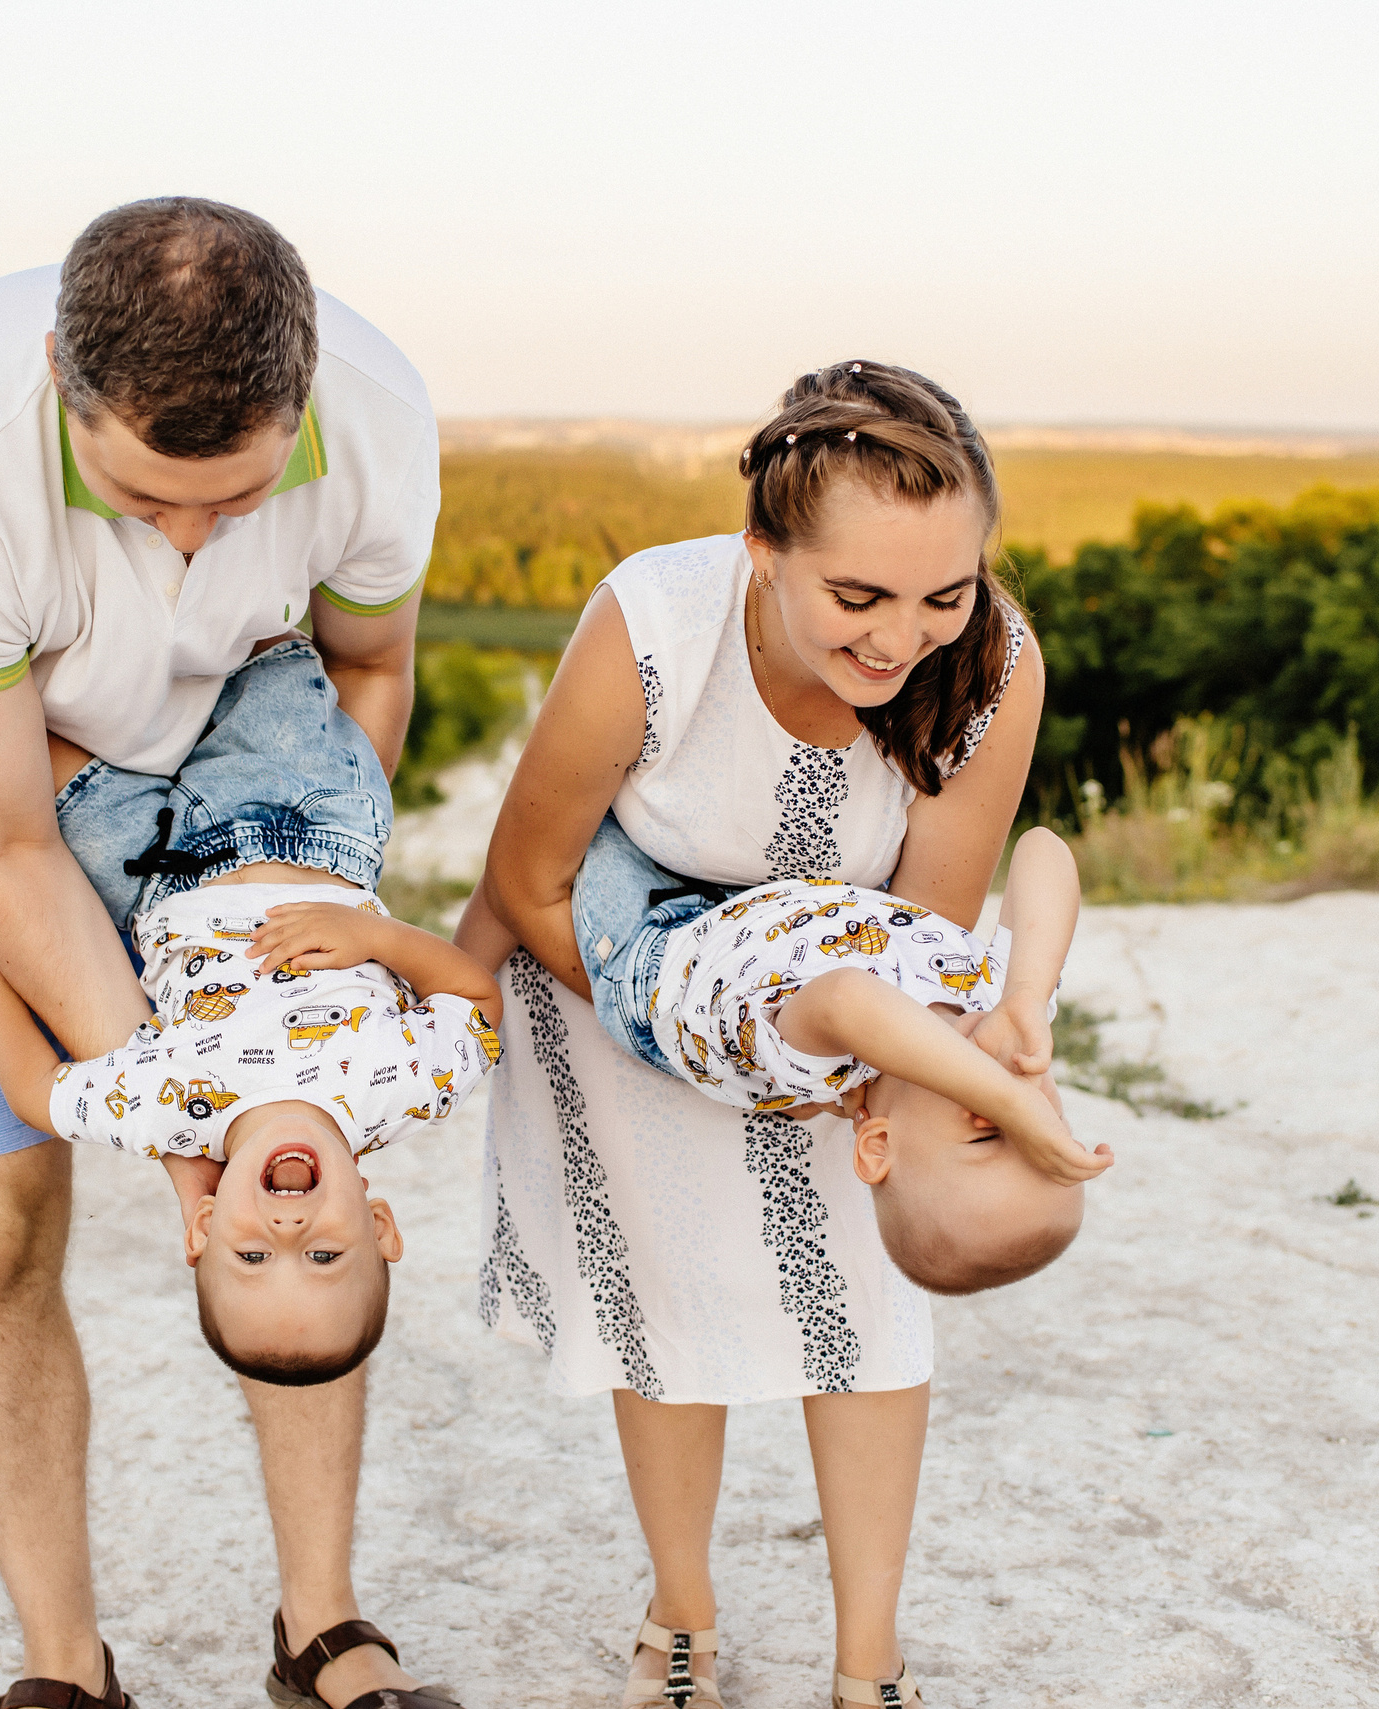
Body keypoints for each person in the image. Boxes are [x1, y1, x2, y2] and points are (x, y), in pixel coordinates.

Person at [0, 198, 446, 1709]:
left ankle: (322, 1629)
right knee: (0, 1225)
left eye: (238, 495)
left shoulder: (382, 411)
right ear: (58, 384)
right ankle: (64, 1666)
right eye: (149, 497)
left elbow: (371, 667)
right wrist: (189, 1120)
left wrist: (301, 874)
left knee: (306, 1163)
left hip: (243, 767)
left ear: (306, 394)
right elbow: (6, 850)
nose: (197, 538)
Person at [467, 360, 1050, 1709]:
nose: (901, 636)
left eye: (942, 593)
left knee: (867, 1309)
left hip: (850, 982)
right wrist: (687, 1034)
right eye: (858, 596)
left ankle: (871, 1662)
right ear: (765, 551)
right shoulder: (656, 625)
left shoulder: (992, 666)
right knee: (671, 1309)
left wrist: (842, 1068)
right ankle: (681, 1615)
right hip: (616, 955)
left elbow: (927, 920)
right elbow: (531, 878)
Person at [0, 635, 502, 1385]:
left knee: (3, 741)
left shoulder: (171, 1113)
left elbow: (33, 1089)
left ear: (203, 1228)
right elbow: (475, 999)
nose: (287, 1228)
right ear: (379, 1227)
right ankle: (230, 555)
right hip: (305, 819)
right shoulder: (403, 1088)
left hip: (149, 865)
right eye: (323, 1255)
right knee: (254, 642)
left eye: (251, 1256)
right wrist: (375, 935)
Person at [516, 817, 1105, 1294]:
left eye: (988, 1137)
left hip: (654, 939)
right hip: (758, 907)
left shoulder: (827, 1068)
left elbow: (847, 998)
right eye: (1042, 1124)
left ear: (878, 1144)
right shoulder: (1002, 1014)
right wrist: (1028, 989)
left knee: (580, 814)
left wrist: (1005, 1097)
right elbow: (1043, 849)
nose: (1003, 1109)